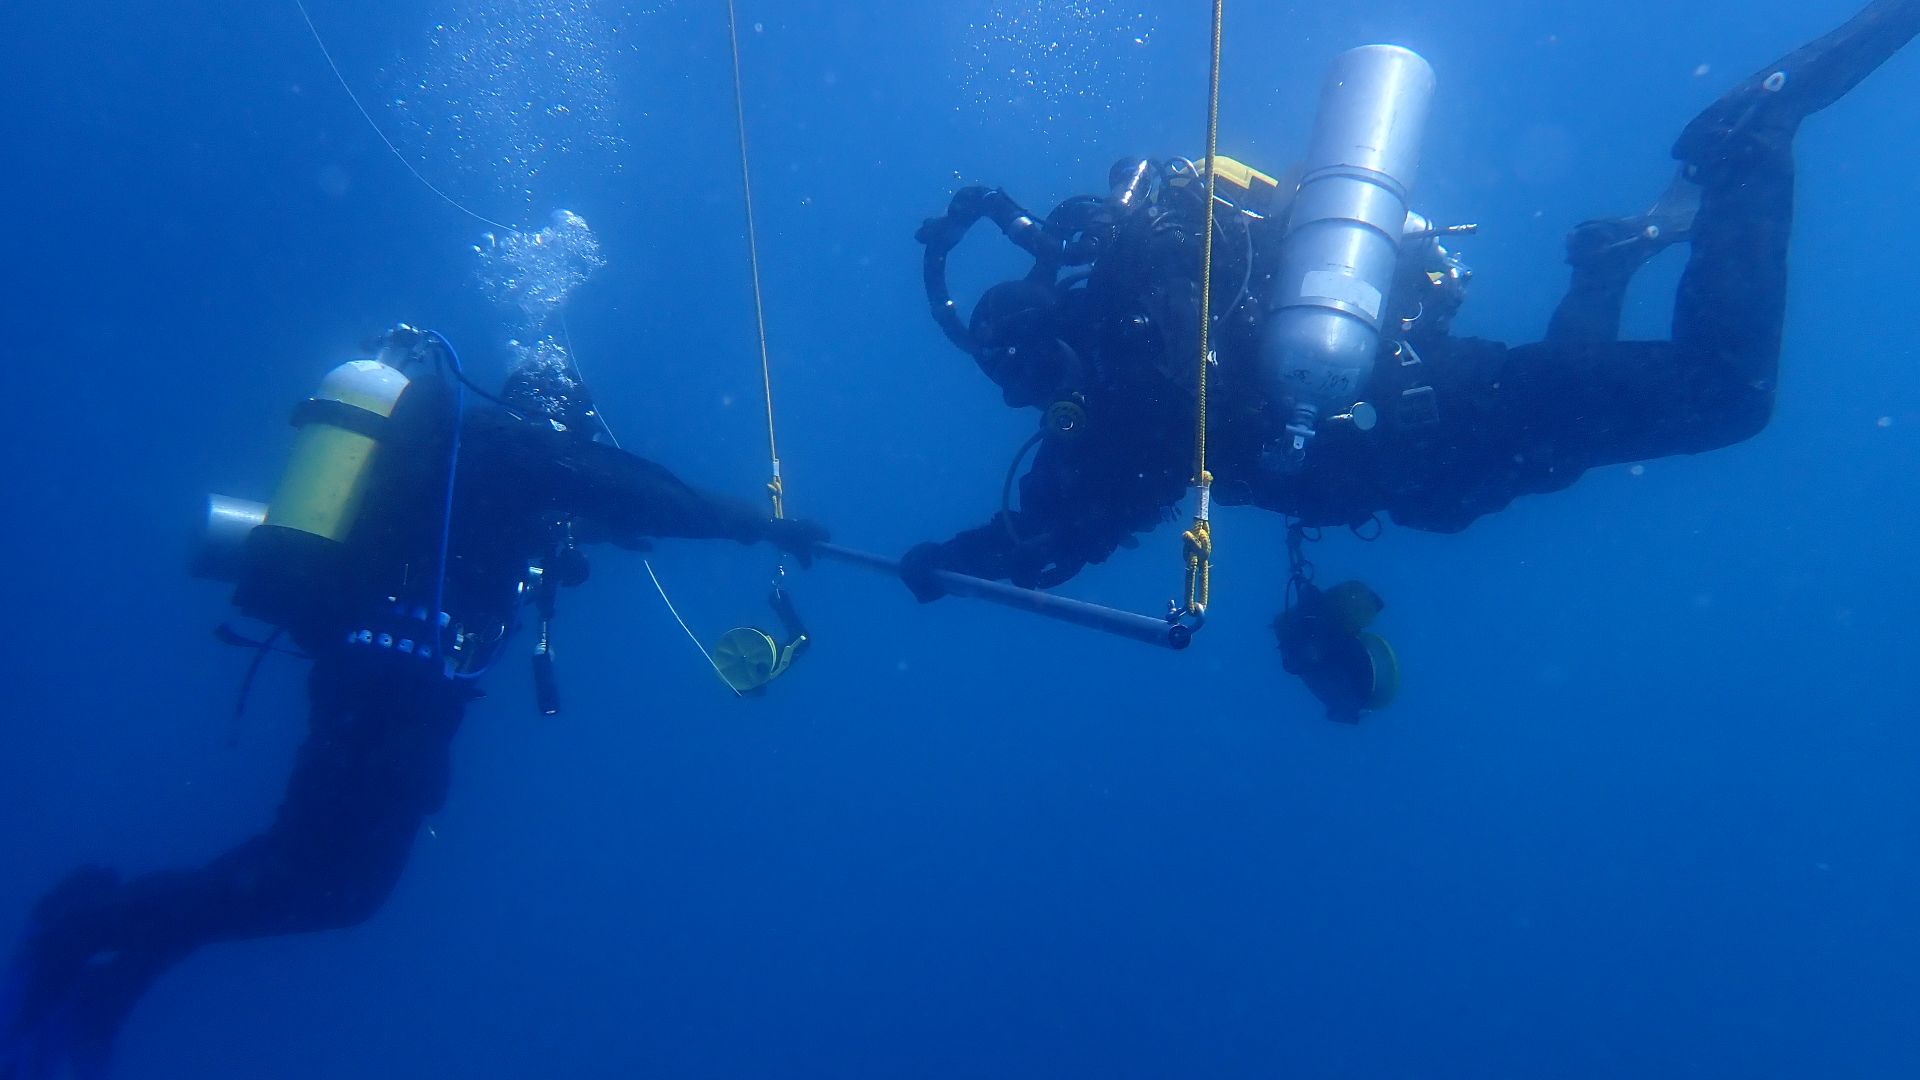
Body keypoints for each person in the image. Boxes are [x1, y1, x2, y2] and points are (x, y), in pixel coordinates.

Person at [899, 0, 1920, 717]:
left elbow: (1060, 535)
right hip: (1442, 454)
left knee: (1726, 398)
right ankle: (1607, 263)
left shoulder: (1143, 376)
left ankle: (1752, 132)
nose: (1040, 401)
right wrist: (962, 558)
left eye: (1033, 375)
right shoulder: (1141, 356)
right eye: (1020, 388)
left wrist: (959, 560)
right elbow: (1062, 530)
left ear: (1059, 336)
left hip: (1450, 420)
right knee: (1555, 445)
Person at [0, 326, 828, 1078]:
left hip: (388, 679)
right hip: (397, 683)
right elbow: (625, 486)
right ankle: (87, 925)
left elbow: (581, 510)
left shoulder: (477, 462)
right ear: (552, 414)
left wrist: (608, 526)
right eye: (571, 425)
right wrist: (756, 524)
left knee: (309, 872)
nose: (574, 439)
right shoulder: (512, 446)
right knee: (331, 886)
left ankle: (113, 970)